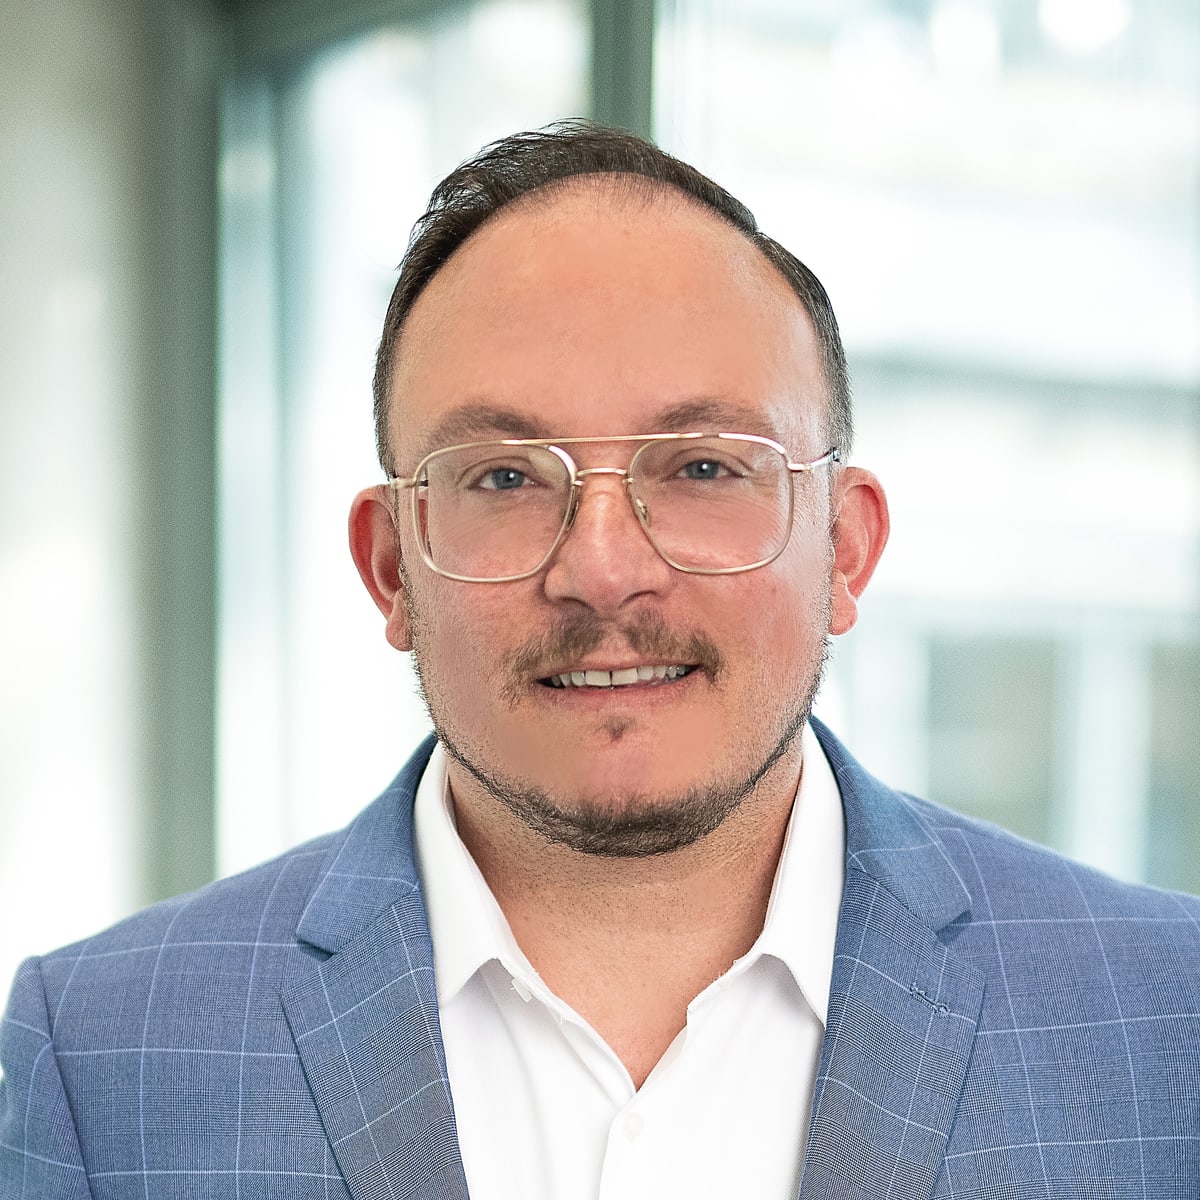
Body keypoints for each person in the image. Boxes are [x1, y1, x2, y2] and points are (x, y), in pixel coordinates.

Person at [2, 121, 1198, 1200]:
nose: (604, 569)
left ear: (844, 548)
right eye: (504, 478)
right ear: (392, 568)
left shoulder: (1169, 1015)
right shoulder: (97, 1058)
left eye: (704, 467)